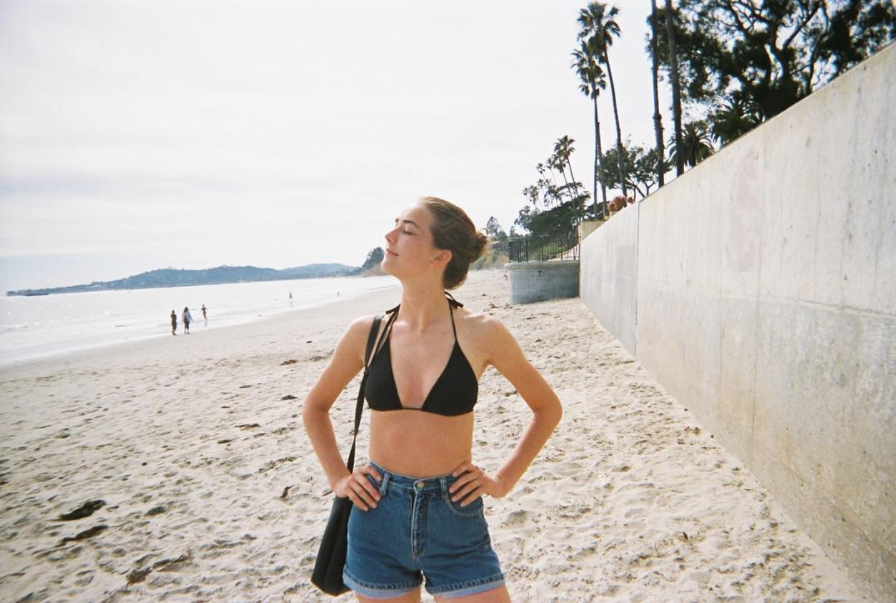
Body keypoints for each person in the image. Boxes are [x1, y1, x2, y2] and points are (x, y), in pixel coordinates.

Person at [303, 197, 562, 601]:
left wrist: (502, 481)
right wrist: (339, 478)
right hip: (375, 517)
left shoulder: (483, 333)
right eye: (395, 225)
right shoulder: (366, 334)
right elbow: (315, 407)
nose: (390, 236)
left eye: (407, 230)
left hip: (454, 517)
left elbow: (547, 408)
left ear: (440, 256)